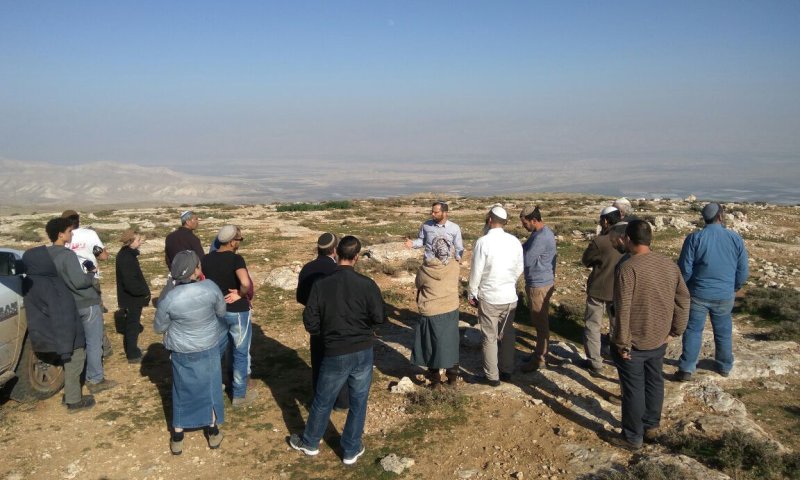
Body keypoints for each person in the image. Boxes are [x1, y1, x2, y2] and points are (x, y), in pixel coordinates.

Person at [289, 236, 384, 465]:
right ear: (357, 257)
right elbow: (379, 317)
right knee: (359, 401)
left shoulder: (321, 284)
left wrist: (324, 333)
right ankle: (351, 449)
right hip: (362, 350)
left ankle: (310, 442)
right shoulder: (367, 284)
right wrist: (365, 330)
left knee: (323, 399)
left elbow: (310, 320)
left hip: (334, 350)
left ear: (336, 253)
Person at [609, 220, 690, 450]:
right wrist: (676, 330)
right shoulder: (668, 264)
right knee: (655, 381)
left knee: (634, 389)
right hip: (659, 337)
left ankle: (632, 437)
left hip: (634, 342)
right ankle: (651, 426)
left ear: (627, 239)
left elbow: (622, 309)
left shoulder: (628, 268)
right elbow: (683, 298)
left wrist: (622, 343)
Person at [154, 251, 228, 455]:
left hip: (181, 348)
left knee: (181, 388)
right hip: (208, 344)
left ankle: (177, 436)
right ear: (196, 269)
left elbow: (159, 327)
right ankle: (213, 433)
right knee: (211, 386)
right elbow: (221, 312)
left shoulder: (170, 297)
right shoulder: (210, 287)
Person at [23, 219, 94, 412]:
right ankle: (73, 401)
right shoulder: (53, 285)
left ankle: (71, 396)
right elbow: (61, 315)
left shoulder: (32, 282)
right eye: (70, 231)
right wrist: (66, 346)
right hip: (65, 335)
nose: (72, 234)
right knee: (76, 360)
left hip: (44, 332)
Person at [675, 202, 749, 381]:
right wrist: (734, 287)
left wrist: (682, 288)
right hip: (724, 294)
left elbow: (685, 269)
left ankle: (687, 367)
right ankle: (724, 366)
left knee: (693, 330)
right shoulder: (734, 238)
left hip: (698, 293)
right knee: (723, 330)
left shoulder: (695, 238)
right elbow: (743, 269)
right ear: (720, 216)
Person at [46, 218, 116, 394]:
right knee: (94, 341)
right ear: (61, 234)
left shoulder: (47, 254)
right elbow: (79, 282)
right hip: (86, 301)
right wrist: (91, 275)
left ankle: (77, 379)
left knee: (79, 343)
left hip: (66, 304)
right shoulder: (67, 255)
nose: (72, 234)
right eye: (69, 231)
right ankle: (95, 379)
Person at [467, 206, 523, 386]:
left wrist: (472, 292)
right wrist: (509, 281)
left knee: (489, 337)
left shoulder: (483, 242)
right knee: (507, 334)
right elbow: (519, 268)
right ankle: (507, 371)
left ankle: (492, 376)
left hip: (490, 296)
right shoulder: (514, 241)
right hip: (509, 296)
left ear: (489, 220)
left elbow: (476, 270)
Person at [201, 225, 256, 406]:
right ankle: (239, 396)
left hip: (217, 310)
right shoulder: (236, 259)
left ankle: (215, 388)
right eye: (239, 240)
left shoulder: (206, 259)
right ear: (232, 242)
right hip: (237, 311)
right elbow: (245, 282)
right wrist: (240, 294)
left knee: (216, 350)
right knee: (240, 353)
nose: (239, 243)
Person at [296, 232, 349, 410]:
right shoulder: (336, 270)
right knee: (339, 362)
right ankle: (341, 402)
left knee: (318, 361)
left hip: (316, 322)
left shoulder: (307, 268)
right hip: (336, 323)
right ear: (335, 250)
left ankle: (320, 399)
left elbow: (300, 296)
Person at [62, 209, 113, 357]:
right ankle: (103, 348)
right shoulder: (89, 234)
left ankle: (79, 348)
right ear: (78, 220)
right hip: (90, 278)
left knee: (76, 314)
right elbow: (103, 256)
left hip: (70, 280)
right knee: (95, 314)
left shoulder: (62, 236)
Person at [412, 237, 461, 387]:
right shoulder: (454, 266)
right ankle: (452, 378)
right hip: (450, 308)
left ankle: (435, 380)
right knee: (450, 343)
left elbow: (418, 284)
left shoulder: (424, 269)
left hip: (430, 310)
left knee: (430, 345)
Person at [580, 206, 623, 376]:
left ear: (605, 221)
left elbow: (586, 260)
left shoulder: (601, 241)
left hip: (599, 288)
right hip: (620, 290)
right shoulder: (628, 239)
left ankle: (595, 362)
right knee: (618, 325)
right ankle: (618, 356)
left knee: (592, 325)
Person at [518, 206, 557, 372]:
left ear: (533, 220)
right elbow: (524, 248)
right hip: (540, 281)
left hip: (539, 283)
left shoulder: (541, 237)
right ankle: (539, 353)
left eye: (525, 223)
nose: (524, 226)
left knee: (540, 323)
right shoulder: (538, 233)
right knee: (538, 321)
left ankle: (540, 358)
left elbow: (526, 258)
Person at [115, 229, 151, 363]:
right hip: (131, 299)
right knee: (132, 325)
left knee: (133, 325)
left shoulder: (127, 255)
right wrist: (142, 292)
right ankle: (133, 355)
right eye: (137, 240)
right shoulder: (126, 257)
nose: (140, 242)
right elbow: (129, 281)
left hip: (132, 297)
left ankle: (133, 350)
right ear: (130, 242)